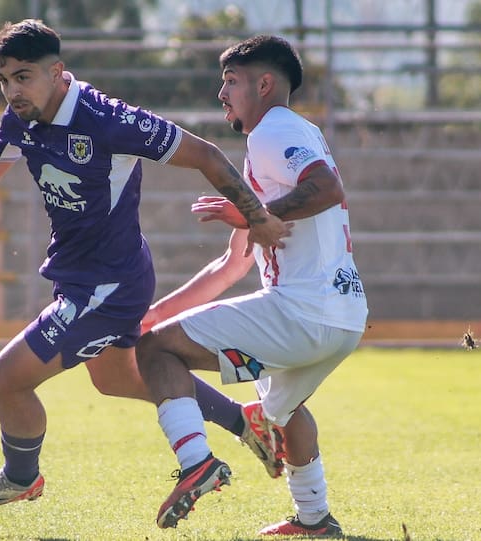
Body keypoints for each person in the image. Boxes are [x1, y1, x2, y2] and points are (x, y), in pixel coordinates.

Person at [0, 20, 290, 513]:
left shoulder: (108, 120)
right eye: (4, 79)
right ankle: (244, 420)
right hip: (85, 278)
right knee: (115, 379)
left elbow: (205, 154)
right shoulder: (23, 116)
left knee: (6, 380)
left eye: (24, 76)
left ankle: (21, 478)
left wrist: (258, 218)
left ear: (58, 72)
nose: (13, 90)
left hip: (108, 286)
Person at [135, 34, 368, 537]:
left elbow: (327, 189)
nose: (222, 92)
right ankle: (315, 520)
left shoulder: (272, 131)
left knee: (155, 354)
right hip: (342, 320)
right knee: (282, 409)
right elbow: (231, 266)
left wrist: (250, 211)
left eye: (231, 81)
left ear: (265, 84)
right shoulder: (290, 134)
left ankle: (197, 462)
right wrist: (157, 315)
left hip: (301, 314)